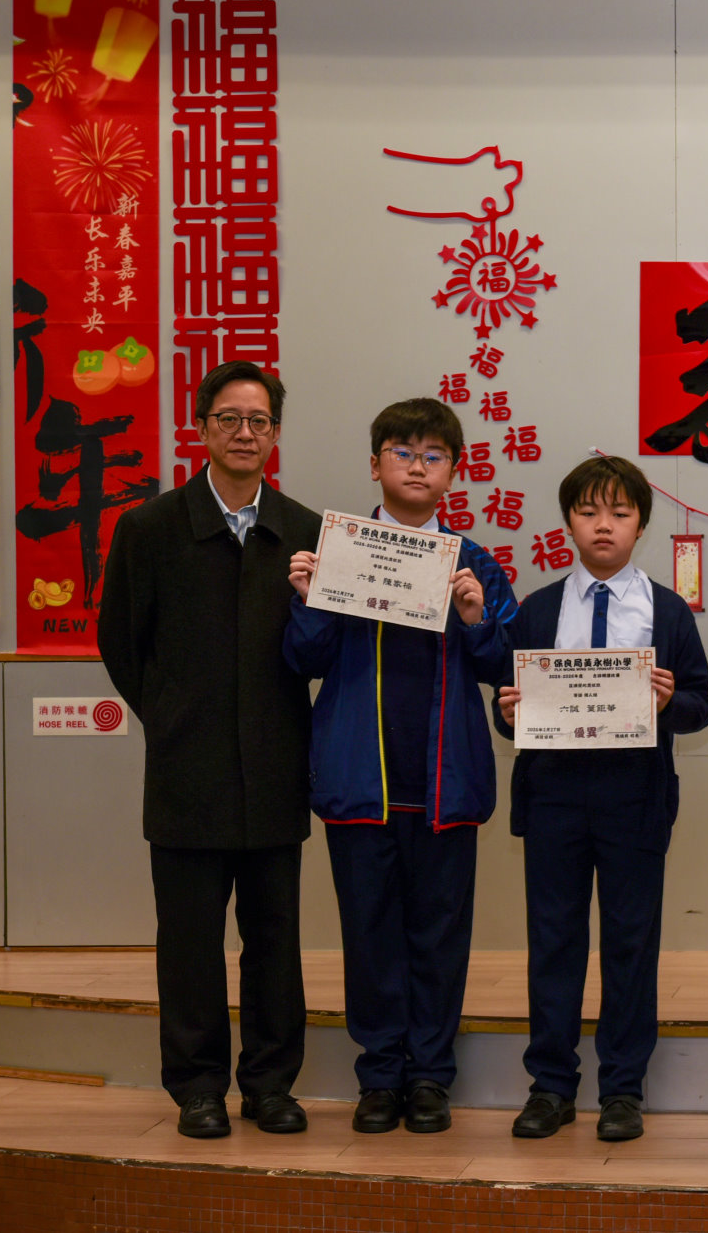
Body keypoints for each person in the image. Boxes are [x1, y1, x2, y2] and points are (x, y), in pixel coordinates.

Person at [99, 360, 323, 1139]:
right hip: (186, 771)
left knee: (275, 940)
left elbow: (323, 645)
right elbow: (122, 642)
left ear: (276, 434)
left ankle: (270, 1084)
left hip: (276, 767)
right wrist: (169, 716)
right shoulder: (151, 528)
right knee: (190, 942)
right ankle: (197, 1087)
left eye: (259, 421)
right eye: (229, 418)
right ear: (201, 428)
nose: (244, 433)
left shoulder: (303, 531)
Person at [283, 398, 517, 1135]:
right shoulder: (340, 551)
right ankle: (380, 1075)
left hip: (447, 783)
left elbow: (509, 670)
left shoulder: (475, 563)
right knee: (370, 935)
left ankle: (430, 1077)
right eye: (403, 453)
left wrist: (477, 618)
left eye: (433, 456)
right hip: (361, 780)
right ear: (375, 463)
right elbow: (303, 658)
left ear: (454, 471)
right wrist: (310, 599)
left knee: (439, 938)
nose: (418, 467)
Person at [494, 455, 708, 1143]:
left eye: (619, 512)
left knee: (630, 943)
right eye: (589, 512)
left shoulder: (667, 611)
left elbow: (702, 704)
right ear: (568, 522)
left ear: (640, 524)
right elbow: (509, 709)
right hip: (553, 797)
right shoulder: (537, 609)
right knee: (553, 943)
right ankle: (550, 1085)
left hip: (634, 796)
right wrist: (507, 711)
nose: (603, 525)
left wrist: (670, 701)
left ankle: (622, 1087)